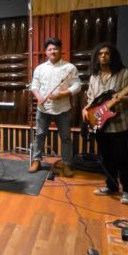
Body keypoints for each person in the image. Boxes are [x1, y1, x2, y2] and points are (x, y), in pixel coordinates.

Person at [81, 42, 128, 204]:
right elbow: (91, 97)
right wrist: (86, 109)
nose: (103, 56)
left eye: (107, 53)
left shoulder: (125, 74)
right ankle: (111, 186)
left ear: (113, 56)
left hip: (119, 125)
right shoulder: (94, 76)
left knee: (122, 158)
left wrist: (121, 98)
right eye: (100, 54)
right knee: (106, 158)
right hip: (100, 124)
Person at [28, 37, 81, 176]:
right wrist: (38, 97)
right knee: (39, 135)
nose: (53, 51)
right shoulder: (40, 68)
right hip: (43, 109)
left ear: (60, 50)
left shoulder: (69, 68)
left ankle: (66, 164)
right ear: (46, 52)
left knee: (65, 138)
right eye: (49, 49)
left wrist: (62, 94)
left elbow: (77, 85)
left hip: (63, 108)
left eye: (55, 48)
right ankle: (36, 160)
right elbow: (34, 85)